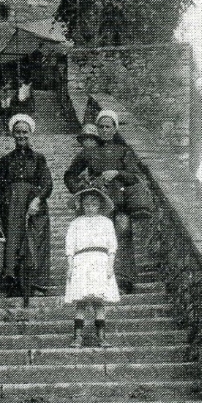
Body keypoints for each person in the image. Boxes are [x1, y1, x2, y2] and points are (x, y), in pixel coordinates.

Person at [64, 109, 142, 292]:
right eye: (101, 126)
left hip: (120, 203)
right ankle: (94, 279)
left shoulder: (124, 151)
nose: (104, 130)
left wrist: (117, 173)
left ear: (115, 129)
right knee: (94, 240)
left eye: (108, 126)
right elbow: (69, 175)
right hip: (96, 205)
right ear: (97, 129)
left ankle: (124, 279)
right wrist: (82, 190)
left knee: (123, 231)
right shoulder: (89, 152)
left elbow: (135, 177)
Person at [0, 113, 52, 299]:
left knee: (36, 242)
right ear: (12, 134)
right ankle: (8, 285)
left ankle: (36, 284)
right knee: (11, 242)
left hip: (34, 207)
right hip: (11, 207)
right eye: (17, 132)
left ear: (30, 133)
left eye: (25, 132)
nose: (21, 136)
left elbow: (47, 183)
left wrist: (37, 200)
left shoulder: (39, 159)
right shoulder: (5, 160)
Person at [65, 186, 119, 347]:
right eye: (87, 204)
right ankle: (78, 337)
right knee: (81, 301)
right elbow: (70, 247)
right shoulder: (75, 223)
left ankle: (101, 336)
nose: (90, 207)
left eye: (94, 204)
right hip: (81, 262)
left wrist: (110, 266)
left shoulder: (106, 222)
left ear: (100, 205)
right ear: (82, 205)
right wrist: (70, 266)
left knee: (98, 301)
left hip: (100, 262)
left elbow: (112, 247)